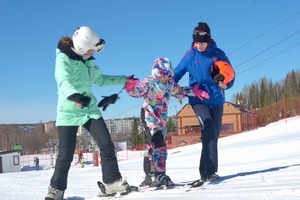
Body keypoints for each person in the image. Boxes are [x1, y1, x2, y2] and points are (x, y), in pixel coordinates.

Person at [45, 26, 139, 200]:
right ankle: (55, 191)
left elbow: (101, 80)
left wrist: (123, 79)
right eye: (91, 49)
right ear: (81, 47)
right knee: (65, 154)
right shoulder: (63, 59)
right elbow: (63, 81)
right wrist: (76, 97)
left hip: (89, 107)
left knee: (106, 144)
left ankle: (112, 183)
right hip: (68, 110)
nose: (93, 53)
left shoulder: (88, 61)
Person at [125, 58, 210, 187]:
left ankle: (149, 176)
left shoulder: (170, 84)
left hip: (162, 117)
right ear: (156, 73)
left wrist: (195, 92)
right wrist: (130, 88)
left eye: (167, 74)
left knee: (154, 146)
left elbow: (180, 91)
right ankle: (159, 174)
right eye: (161, 74)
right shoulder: (149, 82)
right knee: (158, 143)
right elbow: (138, 91)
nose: (164, 77)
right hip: (149, 115)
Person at [173, 22, 235, 183]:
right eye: (196, 42)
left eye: (202, 42)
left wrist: (226, 84)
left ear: (209, 39)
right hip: (198, 99)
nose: (199, 45)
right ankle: (209, 171)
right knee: (208, 128)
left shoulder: (218, 53)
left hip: (217, 99)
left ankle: (207, 172)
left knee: (212, 135)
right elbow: (175, 76)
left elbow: (230, 74)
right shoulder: (189, 56)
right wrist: (165, 88)